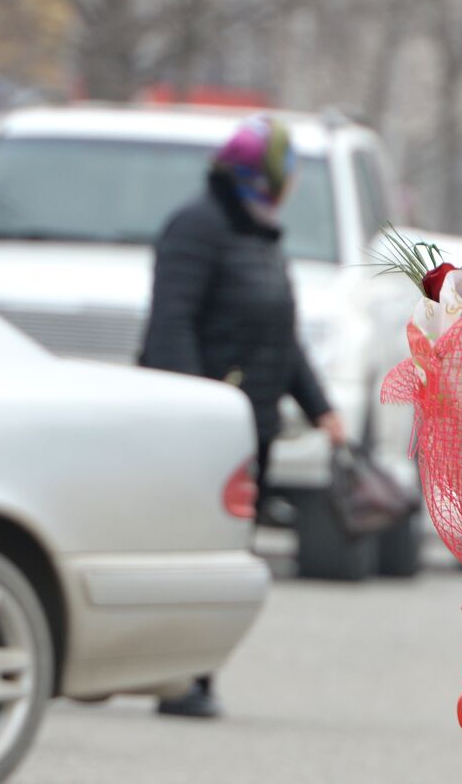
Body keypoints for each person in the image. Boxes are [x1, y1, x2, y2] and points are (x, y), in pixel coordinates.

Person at [140, 114, 345, 718]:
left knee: (229, 554)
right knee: (193, 554)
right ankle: (176, 674)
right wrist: (198, 410)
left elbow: (282, 339)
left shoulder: (258, 234)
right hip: (200, 432)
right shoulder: (196, 228)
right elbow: (170, 326)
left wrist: (321, 407)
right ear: (261, 172)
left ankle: (196, 671)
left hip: (248, 432)